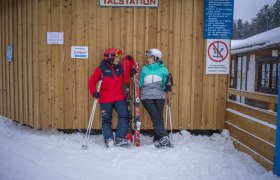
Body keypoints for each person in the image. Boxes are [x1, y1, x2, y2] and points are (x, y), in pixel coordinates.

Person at [88, 48, 130, 148]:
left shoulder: (119, 68)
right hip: (105, 98)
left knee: (124, 115)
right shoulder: (101, 69)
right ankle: (108, 138)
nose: (118, 59)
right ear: (110, 58)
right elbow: (92, 81)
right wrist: (94, 92)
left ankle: (120, 138)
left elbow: (127, 75)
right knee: (106, 120)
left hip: (119, 97)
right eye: (116, 58)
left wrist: (131, 70)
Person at [138, 48, 172, 148]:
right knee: (155, 116)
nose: (148, 59)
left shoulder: (164, 69)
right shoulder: (144, 69)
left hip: (159, 95)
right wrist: (133, 76)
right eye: (148, 57)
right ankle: (164, 136)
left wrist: (167, 85)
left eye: (150, 57)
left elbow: (164, 85)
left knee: (159, 117)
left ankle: (158, 139)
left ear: (156, 58)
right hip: (146, 96)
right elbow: (140, 83)